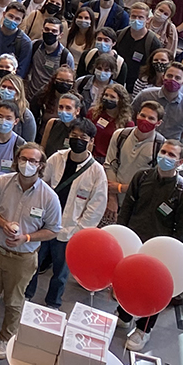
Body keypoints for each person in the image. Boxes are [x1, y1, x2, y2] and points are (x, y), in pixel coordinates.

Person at [0, 142, 61, 358]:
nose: (27, 164)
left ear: (41, 165)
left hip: (22, 257)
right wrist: (2, 223)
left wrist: (27, 237)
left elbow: (53, 230)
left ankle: (7, 338)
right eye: (23, 159)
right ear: (17, 160)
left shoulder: (48, 197)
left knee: (14, 300)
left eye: (33, 160)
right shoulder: (3, 182)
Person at [118, 139, 183, 350]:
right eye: (163, 152)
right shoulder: (141, 177)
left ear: (180, 162)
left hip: (160, 251)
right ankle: (124, 315)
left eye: (171, 155)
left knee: (152, 291)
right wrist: (121, 236)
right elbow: (127, 209)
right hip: (134, 241)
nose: (165, 157)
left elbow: (182, 232)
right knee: (128, 281)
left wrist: (171, 256)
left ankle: (143, 329)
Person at [26, 125, 107, 308]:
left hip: (70, 230)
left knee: (61, 273)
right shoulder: (57, 158)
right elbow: (40, 184)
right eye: (74, 135)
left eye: (83, 137)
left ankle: (53, 303)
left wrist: (79, 231)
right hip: (44, 224)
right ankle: (27, 295)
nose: (77, 140)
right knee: (33, 264)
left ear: (91, 141)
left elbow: (96, 206)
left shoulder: (96, 172)